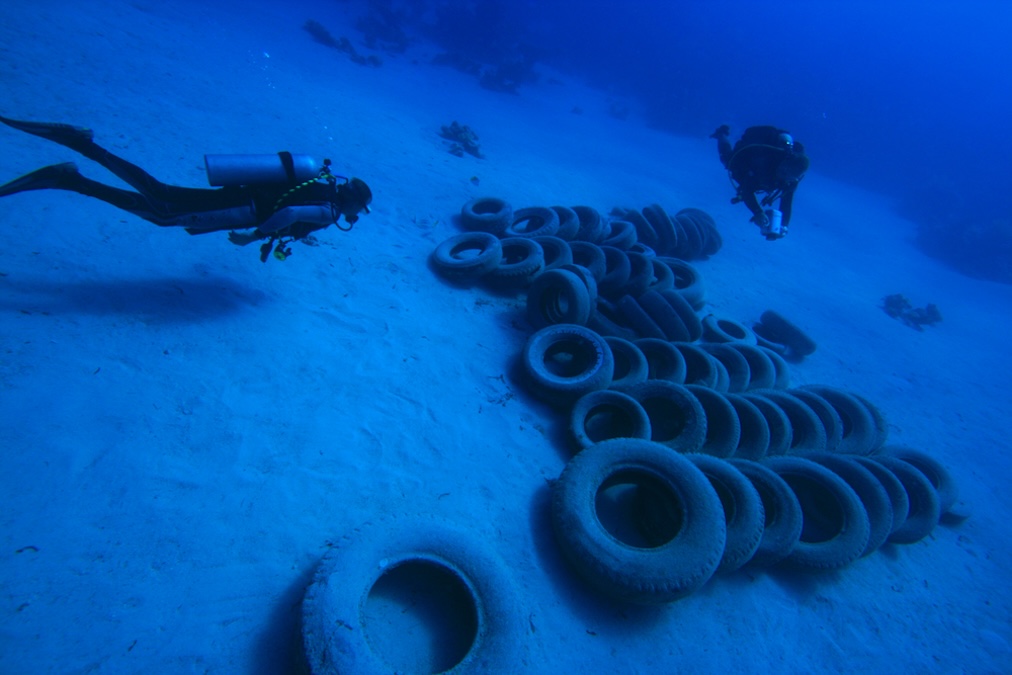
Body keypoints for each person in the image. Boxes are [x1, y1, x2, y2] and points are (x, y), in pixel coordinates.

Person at [0, 115, 373, 262]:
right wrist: (251, 237)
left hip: (241, 198)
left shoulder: (320, 185)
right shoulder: (329, 211)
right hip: (243, 211)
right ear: (353, 203)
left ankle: (72, 172)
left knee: (163, 202)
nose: (356, 217)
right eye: (360, 210)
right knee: (162, 207)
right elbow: (290, 213)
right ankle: (75, 163)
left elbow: (291, 207)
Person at [710, 124, 809, 240]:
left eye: (790, 177)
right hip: (748, 167)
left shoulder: (791, 180)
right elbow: (747, 190)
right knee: (727, 160)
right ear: (784, 164)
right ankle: (722, 134)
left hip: (760, 178)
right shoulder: (763, 164)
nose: (785, 178)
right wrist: (758, 212)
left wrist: (783, 227)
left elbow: (786, 203)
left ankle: (722, 135)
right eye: (784, 173)